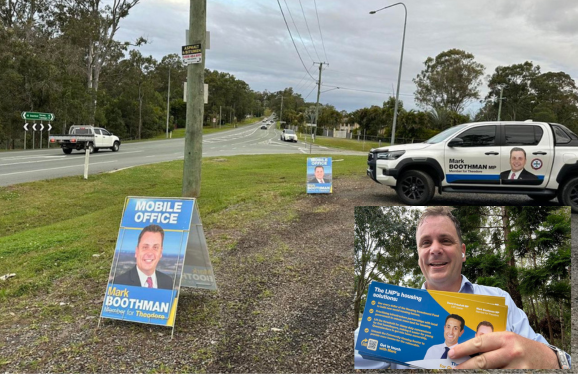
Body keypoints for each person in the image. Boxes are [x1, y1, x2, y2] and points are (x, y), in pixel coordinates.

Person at [354, 206, 571, 369]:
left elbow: (564, 362)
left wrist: (547, 359)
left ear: (463, 251)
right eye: (426, 243)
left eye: (446, 240)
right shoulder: (395, 310)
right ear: (418, 255)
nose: (435, 249)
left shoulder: (500, 300)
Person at [113, 224, 173, 290]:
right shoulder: (117, 284)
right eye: (145, 247)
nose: (150, 253)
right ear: (137, 251)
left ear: (160, 252)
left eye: (155, 247)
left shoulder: (168, 282)